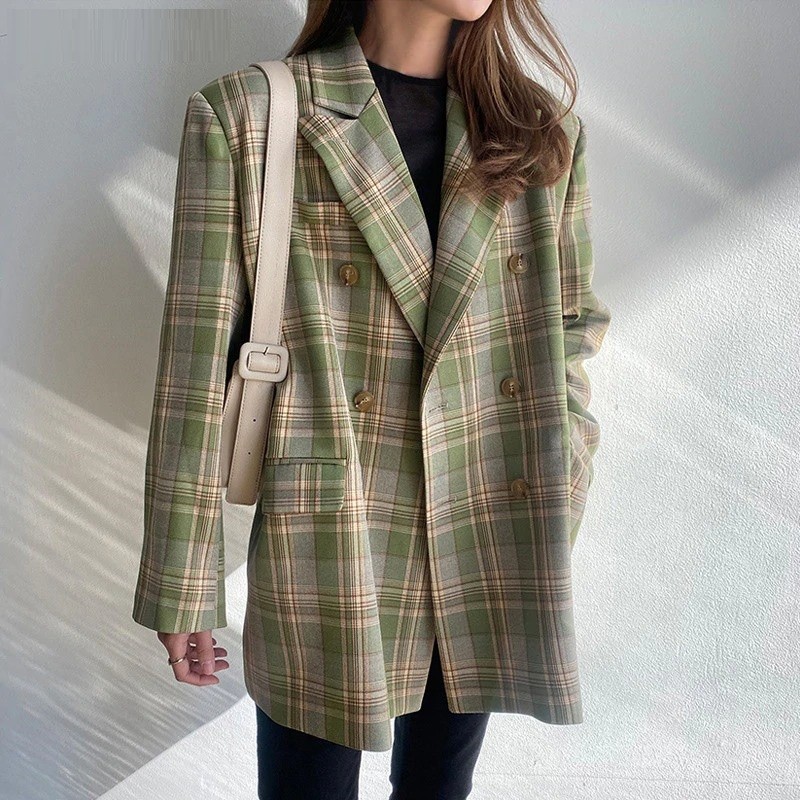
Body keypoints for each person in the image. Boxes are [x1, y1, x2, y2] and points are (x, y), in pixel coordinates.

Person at [132, 0, 612, 798]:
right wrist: (184, 579)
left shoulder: (535, 134)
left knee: (439, 789)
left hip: (486, 516)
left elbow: (570, 329)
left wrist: (565, 475)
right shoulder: (251, 114)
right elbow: (194, 367)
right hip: (331, 527)